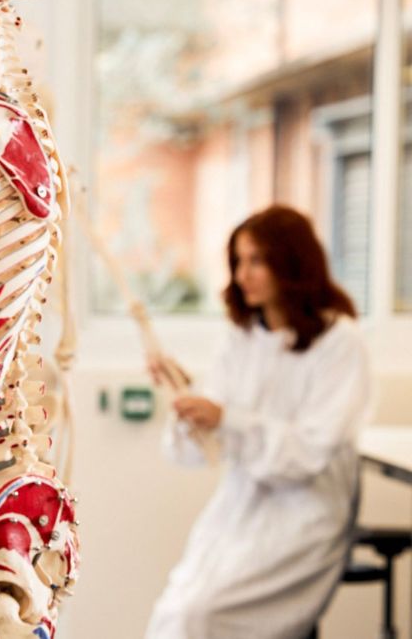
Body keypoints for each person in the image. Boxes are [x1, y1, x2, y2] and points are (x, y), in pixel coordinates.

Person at [146, 205, 372, 639]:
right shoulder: (243, 337)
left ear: (291, 263)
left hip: (306, 516)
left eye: (256, 261)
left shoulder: (340, 342)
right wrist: (186, 399)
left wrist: (227, 420)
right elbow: (204, 445)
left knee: (201, 615)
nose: (242, 275)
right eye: (238, 262)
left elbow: (308, 454)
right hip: (241, 508)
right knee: (176, 611)